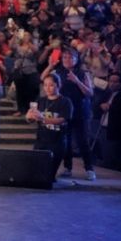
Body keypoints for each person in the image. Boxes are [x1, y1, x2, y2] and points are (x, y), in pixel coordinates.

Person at [42, 47, 96, 180]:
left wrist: (76, 80)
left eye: (70, 57)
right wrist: (49, 66)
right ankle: (67, 167)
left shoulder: (82, 73)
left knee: (83, 141)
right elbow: (43, 78)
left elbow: (89, 93)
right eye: (65, 57)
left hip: (80, 111)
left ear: (76, 59)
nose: (67, 59)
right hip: (64, 110)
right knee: (65, 140)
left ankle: (89, 169)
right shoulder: (58, 72)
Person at [27, 74, 73, 182]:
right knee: (37, 171)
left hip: (57, 141)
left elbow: (62, 120)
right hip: (41, 140)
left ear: (58, 85)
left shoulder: (66, 102)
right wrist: (29, 116)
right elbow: (31, 119)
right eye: (45, 85)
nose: (47, 88)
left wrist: (42, 118)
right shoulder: (40, 101)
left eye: (51, 85)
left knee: (50, 174)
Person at [98, 73, 121, 170]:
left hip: (115, 132)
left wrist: (110, 107)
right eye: (110, 81)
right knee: (104, 154)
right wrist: (101, 105)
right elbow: (96, 105)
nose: (112, 84)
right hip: (103, 127)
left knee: (112, 157)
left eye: (115, 82)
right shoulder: (106, 94)